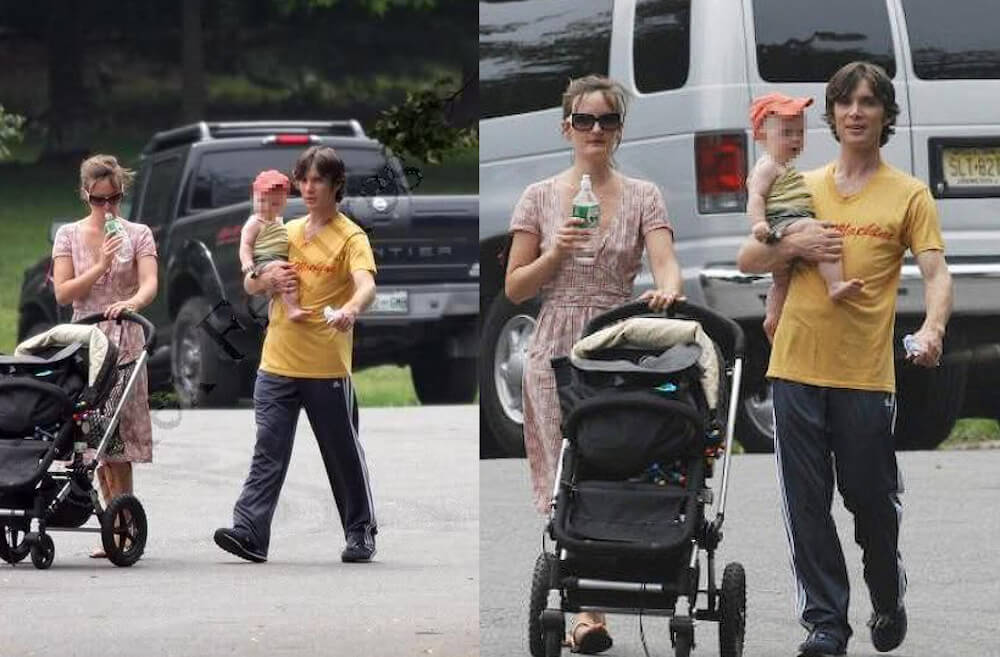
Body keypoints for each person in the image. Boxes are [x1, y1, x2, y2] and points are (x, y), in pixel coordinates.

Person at [737, 61, 953, 657]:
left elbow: (936, 272)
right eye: (845, 102)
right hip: (795, 368)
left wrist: (932, 329)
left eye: (868, 102)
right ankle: (825, 624)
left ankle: (887, 591)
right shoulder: (802, 185)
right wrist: (789, 241)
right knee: (806, 504)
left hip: (863, 375)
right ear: (832, 115)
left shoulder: (908, 194)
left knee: (871, 502)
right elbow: (746, 259)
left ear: (885, 116)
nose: (856, 112)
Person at [504, 74, 683, 654]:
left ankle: (620, 571)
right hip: (555, 341)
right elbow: (514, 288)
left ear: (620, 130)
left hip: (615, 340)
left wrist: (667, 293)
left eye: (607, 121)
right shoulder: (536, 196)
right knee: (565, 474)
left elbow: (665, 262)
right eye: (585, 120)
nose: (596, 130)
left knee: (613, 461)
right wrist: (556, 250)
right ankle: (585, 610)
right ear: (567, 128)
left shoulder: (643, 195)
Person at [214, 145, 379, 564]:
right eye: (303, 180)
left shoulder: (350, 237)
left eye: (317, 180)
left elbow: (366, 285)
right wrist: (262, 275)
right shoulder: (284, 231)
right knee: (268, 448)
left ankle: (360, 531)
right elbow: (250, 284)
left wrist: (350, 310)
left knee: (342, 453)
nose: (307, 188)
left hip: (325, 367)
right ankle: (250, 531)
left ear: (335, 185)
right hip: (277, 364)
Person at [51, 154, 159, 558]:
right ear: (85, 196)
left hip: (125, 337)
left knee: (119, 443)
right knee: (91, 439)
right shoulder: (69, 235)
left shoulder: (140, 233)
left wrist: (131, 301)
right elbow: (64, 293)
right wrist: (100, 265)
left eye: (115, 198)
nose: (108, 207)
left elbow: (149, 284)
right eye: (99, 200)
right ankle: (112, 521)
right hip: (87, 341)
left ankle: (122, 525)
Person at [746, 93, 864, 341]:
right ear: (761, 135)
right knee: (822, 234)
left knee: (781, 283)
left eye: (800, 132)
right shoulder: (767, 166)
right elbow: (755, 196)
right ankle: (834, 284)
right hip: (784, 222)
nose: (796, 139)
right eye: (786, 133)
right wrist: (758, 223)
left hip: (785, 223)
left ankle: (773, 320)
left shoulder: (782, 167)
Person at [238, 169, 310, 322]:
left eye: (274, 203)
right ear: (253, 198)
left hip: (276, 259)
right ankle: (292, 308)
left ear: (284, 203)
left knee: (279, 288)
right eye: (261, 201)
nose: (267, 207)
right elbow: (245, 244)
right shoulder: (255, 222)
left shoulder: (279, 222)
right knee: (286, 273)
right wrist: (247, 262)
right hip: (263, 262)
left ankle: (274, 316)